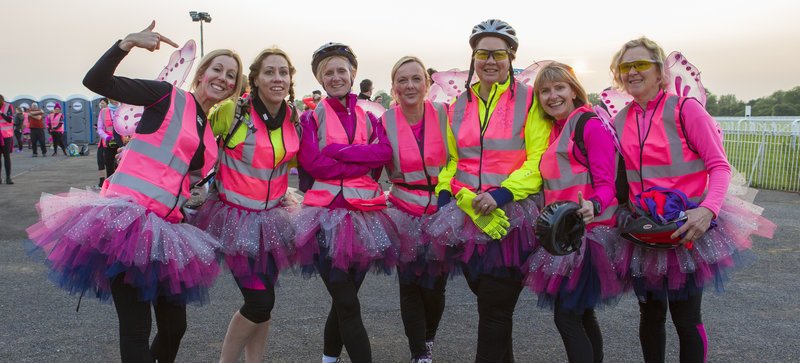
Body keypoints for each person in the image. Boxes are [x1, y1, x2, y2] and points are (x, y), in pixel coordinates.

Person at [26, 21, 244, 363]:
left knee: (174, 328)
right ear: (201, 72)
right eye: (218, 69)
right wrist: (125, 43)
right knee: (136, 329)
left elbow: (180, 173)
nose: (224, 78)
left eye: (232, 75)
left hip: (169, 230)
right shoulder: (166, 96)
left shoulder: (208, 133)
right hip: (125, 223)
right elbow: (96, 82)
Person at [610, 37, 774, 363]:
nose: (632, 72)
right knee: (651, 316)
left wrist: (706, 211)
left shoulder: (686, 109)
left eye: (640, 64)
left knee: (686, 320)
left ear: (659, 72)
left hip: (687, 228)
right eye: (625, 66)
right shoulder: (620, 119)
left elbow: (720, 167)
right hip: (643, 230)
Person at [426, 19, 551, 362]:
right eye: (483, 53)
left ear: (511, 57)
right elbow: (452, 160)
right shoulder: (458, 104)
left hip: (510, 213)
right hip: (465, 212)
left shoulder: (529, 100)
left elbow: (538, 159)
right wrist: (443, 194)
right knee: (488, 303)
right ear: (473, 58)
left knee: (495, 310)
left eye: (499, 54)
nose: (490, 61)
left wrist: (501, 194)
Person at [190, 47, 301, 363]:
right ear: (254, 79)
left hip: (275, 220)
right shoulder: (231, 112)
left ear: (290, 79)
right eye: (269, 72)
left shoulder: (294, 117)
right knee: (258, 301)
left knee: (266, 301)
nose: (277, 78)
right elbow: (192, 143)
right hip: (233, 219)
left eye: (283, 72)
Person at [293, 42, 394, 363]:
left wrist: (339, 153)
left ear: (353, 74)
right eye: (329, 73)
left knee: (343, 303)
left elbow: (383, 154)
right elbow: (312, 162)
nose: (336, 77)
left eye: (341, 71)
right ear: (321, 80)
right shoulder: (311, 118)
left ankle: (328, 359)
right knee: (347, 302)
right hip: (323, 219)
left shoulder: (370, 117)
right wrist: (356, 165)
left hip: (365, 218)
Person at [524, 62, 626, 362]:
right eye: (544, 91)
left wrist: (592, 205)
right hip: (563, 235)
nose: (552, 96)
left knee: (567, 318)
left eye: (559, 88)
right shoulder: (555, 130)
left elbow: (607, 185)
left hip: (588, 236)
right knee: (581, 315)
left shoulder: (589, 125)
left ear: (573, 90)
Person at [382, 56, 450, 363]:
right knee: (409, 284)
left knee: (435, 286)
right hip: (402, 208)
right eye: (402, 80)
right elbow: (369, 163)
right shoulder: (383, 121)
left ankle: (429, 338)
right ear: (394, 87)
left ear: (427, 83)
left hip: (443, 208)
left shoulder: (445, 113)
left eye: (415, 79)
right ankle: (418, 353)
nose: (409, 85)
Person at [97, 98, 124, 185]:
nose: (115, 99)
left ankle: (120, 187)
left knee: (122, 166)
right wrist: (107, 137)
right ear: (109, 99)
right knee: (109, 166)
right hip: (108, 143)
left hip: (121, 143)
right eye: (112, 98)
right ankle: (109, 188)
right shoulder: (103, 111)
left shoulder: (123, 110)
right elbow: (100, 128)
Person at [0, 95, 14, 183]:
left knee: (6, 156)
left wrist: (1, 113)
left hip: (6, 135)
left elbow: (9, 120)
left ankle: (8, 177)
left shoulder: (8, 106)